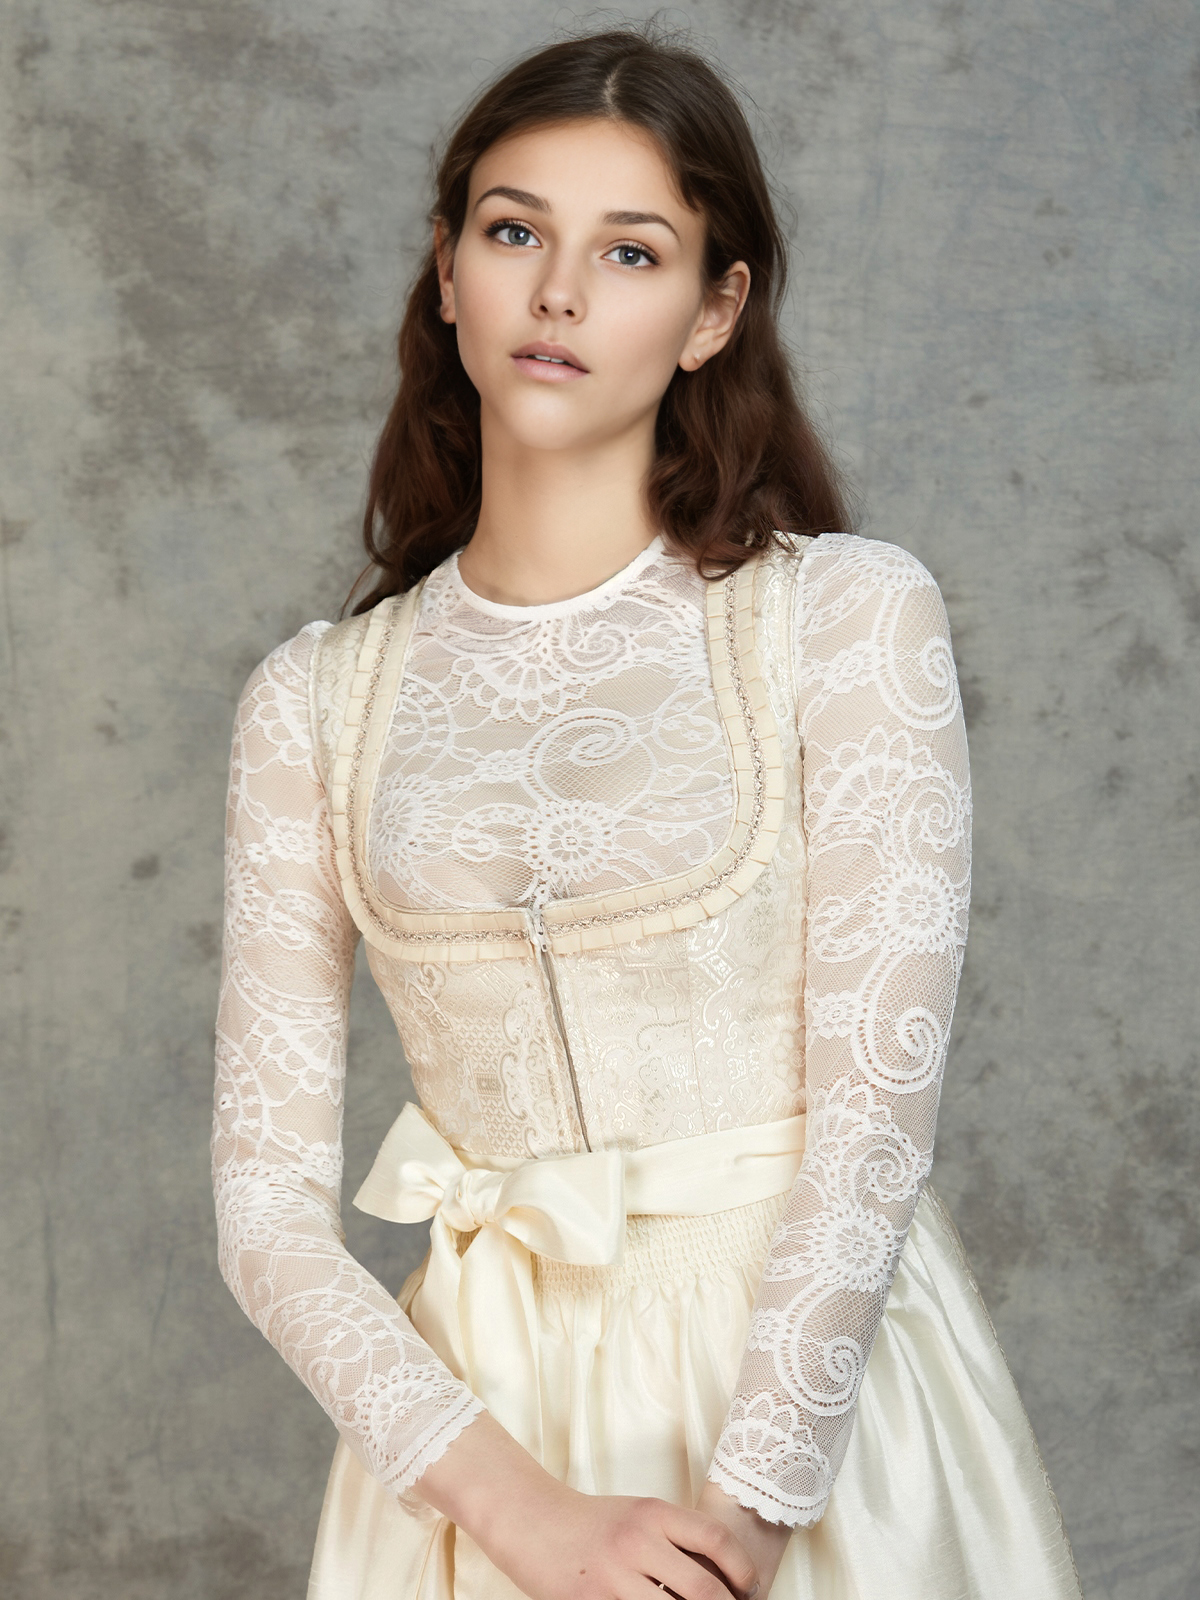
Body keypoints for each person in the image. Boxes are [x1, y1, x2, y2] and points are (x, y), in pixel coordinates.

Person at [212, 28, 1082, 1600]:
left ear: (714, 311)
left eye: (630, 252)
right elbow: (265, 1221)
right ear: (448, 270)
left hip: (814, 1434)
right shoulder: (313, 701)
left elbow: (875, 1122)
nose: (558, 293)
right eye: (514, 231)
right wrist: (523, 1516)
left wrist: (747, 1517)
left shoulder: (843, 618)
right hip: (475, 1457)